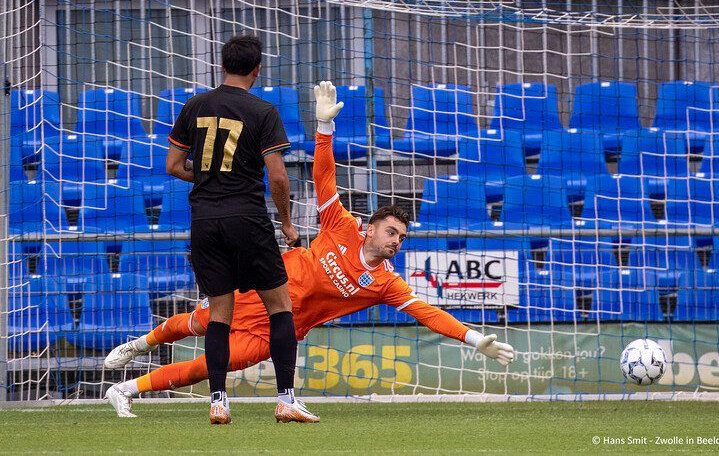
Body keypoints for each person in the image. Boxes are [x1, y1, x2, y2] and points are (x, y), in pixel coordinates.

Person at [103, 81, 515, 419]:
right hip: (265, 290)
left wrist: (475, 339)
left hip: (280, 330)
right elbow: (324, 176)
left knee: (210, 366)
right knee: (196, 323)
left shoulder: (386, 284)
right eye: (391, 231)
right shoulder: (341, 225)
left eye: (401, 238)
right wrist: (323, 128)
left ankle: (124, 390)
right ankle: (140, 345)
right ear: (370, 228)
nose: (396, 241)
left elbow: (428, 313)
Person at [105, 35, 309, 425]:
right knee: (280, 307)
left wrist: (208, 176)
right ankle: (286, 400)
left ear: (223, 65)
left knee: (219, 314)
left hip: (205, 221)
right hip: (246, 217)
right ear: (257, 68)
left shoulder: (195, 105)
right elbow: (278, 176)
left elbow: (173, 165)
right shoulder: (263, 111)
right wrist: (285, 222)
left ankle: (218, 402)